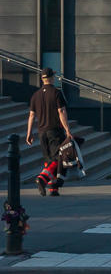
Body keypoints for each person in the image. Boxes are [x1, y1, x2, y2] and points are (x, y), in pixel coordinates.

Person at [26, 67, 74, 197]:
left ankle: (53, 189)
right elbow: (61, 111)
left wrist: (29, 133)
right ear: (52, 78)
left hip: (42, 132)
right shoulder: (57, 93)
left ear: (42, 79)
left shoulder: (35, 95)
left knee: (48, 159)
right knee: (59, 158)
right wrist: (67, 130)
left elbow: (31, 115)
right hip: (55, 131)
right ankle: (42, 178)